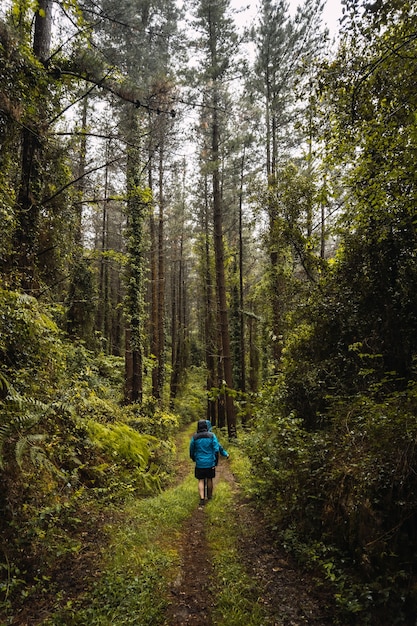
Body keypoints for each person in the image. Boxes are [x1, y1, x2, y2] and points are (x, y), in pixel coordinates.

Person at [190, 419, 229, 506]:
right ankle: (210, 496)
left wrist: (193, 458)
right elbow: (217, 448)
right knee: (209, 479)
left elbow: (191, 449)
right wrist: (216, 459)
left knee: (200, 480)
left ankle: (202, 499)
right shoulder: (212, 436)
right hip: (210, 462)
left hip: (199, 463)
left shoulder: (195, 437)